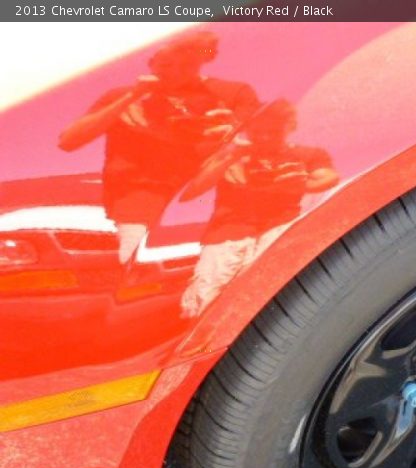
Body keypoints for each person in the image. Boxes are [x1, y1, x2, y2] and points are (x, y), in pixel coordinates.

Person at [58, 30, 260, 263]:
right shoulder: (125, 96)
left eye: (186, 65)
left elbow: (259, 144)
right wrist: (130, 98)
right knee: (145, 276)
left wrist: (230, 132)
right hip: (139, 207)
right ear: (151, 62)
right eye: (166, 64)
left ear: (200, 64)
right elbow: (68, 141)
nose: (174, 72)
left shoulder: (230, 95)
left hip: (211, 210)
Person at [179, 99, 339, 317]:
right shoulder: (229, 153)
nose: (264, 137)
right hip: (228, 233)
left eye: (272, 132)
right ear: (248, 129)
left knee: (264, 294)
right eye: (258, 131)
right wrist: (231, 156)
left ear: (289, 127)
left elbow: (329, 178)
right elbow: (192, 192)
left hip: (277, 230)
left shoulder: (306, 155)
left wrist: (297, 183)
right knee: (206, 295)